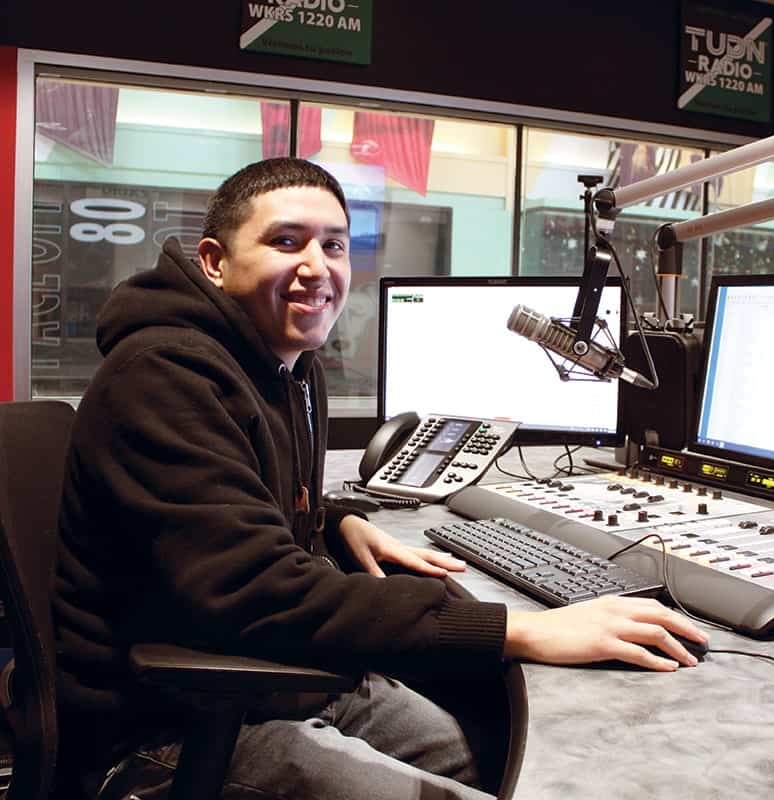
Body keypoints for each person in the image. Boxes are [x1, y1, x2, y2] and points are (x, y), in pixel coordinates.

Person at [54, 157, 707, 800]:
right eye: (286, 241)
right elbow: (253, 590)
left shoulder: (284, 363)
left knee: (496, 759)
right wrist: (516, 627)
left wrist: (336, 519)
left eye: (333, 244)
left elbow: (227, 497)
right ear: (215, 262)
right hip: (171, 724)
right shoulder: (162, 376)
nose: (317, 266)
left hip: (279, 675)